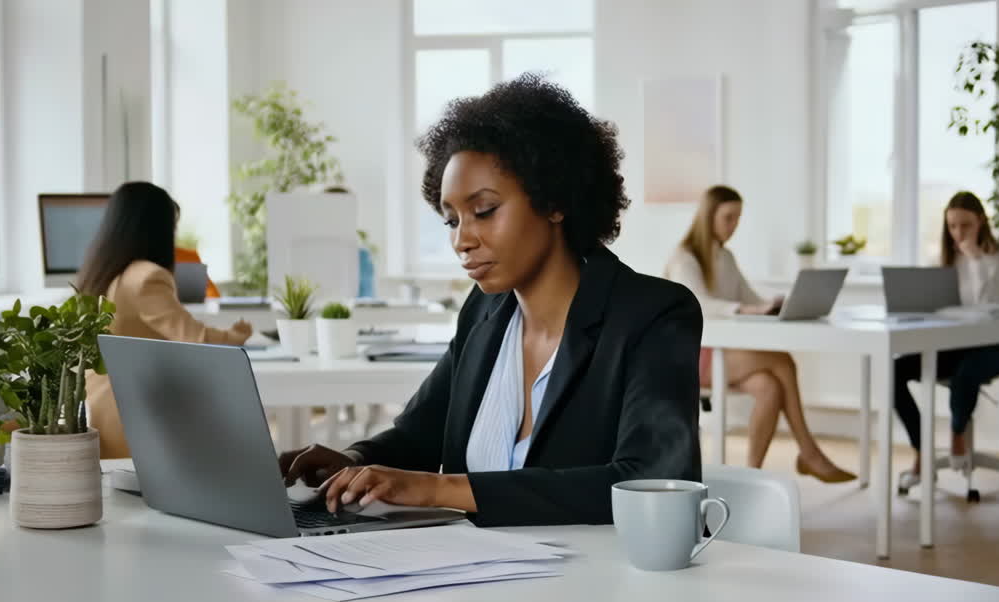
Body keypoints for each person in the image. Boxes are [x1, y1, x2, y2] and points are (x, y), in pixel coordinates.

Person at [279, 74, 703, 526]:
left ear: (554, 200)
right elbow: (418, 436)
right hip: (486, 579)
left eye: (484, 211)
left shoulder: (653, 314)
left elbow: (651, 480)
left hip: (607, 584)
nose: (462, 240)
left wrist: (438, 488)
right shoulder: (485, 313)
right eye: (451, 221)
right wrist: (350, 460)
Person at [664, 185, 855, 482]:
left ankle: (751, 476)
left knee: (770, 388)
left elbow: (749, 296)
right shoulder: (685, 257)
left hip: (724, 352)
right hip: (693, 356)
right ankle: (810, 453)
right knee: (782, 362)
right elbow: (697, 302)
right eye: (728, 217)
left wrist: (775, 303)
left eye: (738, 218)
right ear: (708, 216)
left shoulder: (725, 257)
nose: (734, 226)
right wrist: (745, 309)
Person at [80, 181, 253, 459]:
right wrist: (237, 334)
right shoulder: (147, 276)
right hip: (137, 411)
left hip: (103, 404)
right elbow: (196, 338)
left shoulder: (108, 272)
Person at [895, 191, 999, 491]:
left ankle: (957, 433)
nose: (958, 233)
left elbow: (989, 304)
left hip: (993, 347)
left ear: (981, 223)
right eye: (952, 226)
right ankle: (922, 451)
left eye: (965, 225)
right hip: (950, 346)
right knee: (895, 372)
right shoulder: (941, 260)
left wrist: (975, 258)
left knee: (964, 375)